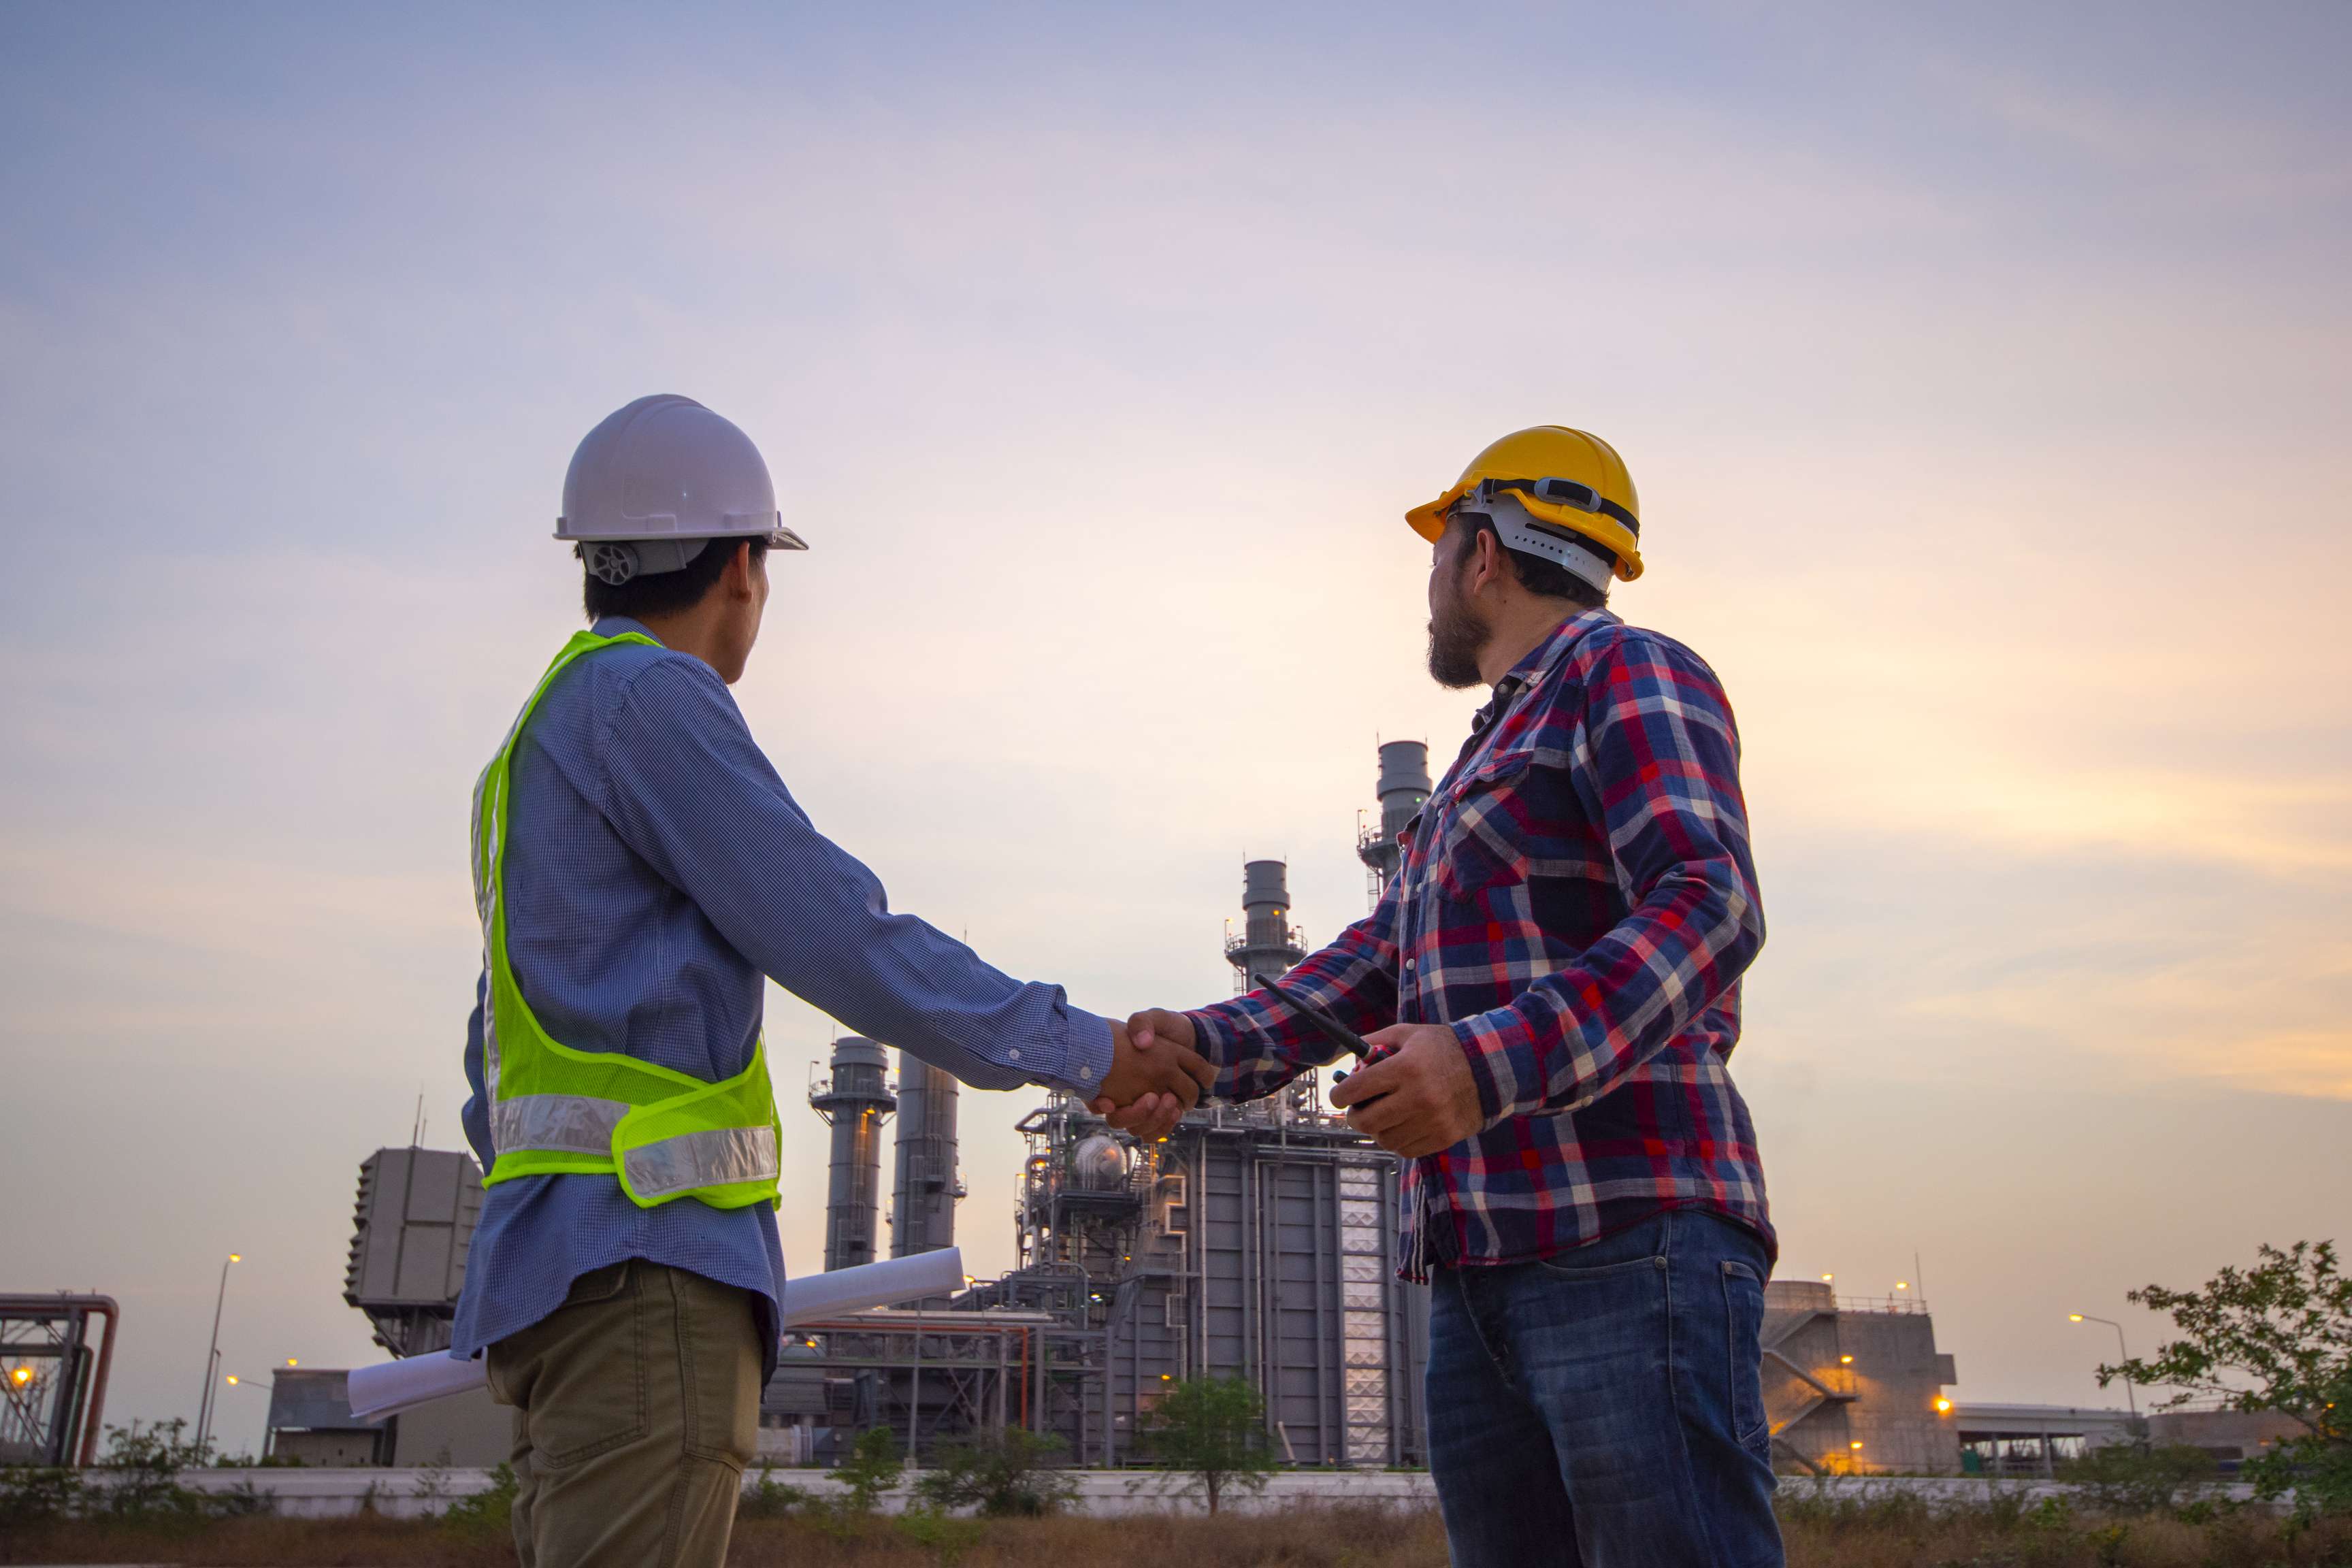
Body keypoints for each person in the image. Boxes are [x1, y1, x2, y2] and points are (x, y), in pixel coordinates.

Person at [453, 394, 1214, 1568]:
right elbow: (829, 929)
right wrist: (1090, 1051)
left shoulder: (537, 740)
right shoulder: (649, 701)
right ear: (745, 569)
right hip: (649, 1276)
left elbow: (488, 1067)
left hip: (554, 1287)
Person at [1128, 427, 1778, 1567]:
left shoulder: (1627, 673)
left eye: (1438, 554)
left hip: (1627, 1240)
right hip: (1479, 1277)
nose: (1428, 586)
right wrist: (1201, 1048)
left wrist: (1486, 1065)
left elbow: (1707, 902)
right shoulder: (1488, 754)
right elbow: (1379, 961)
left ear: (1485, 554)